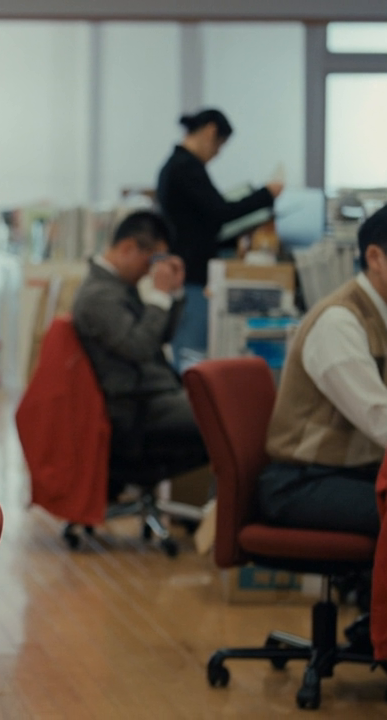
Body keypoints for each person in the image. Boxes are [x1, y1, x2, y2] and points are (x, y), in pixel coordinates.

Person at [260, 202, 387, 538]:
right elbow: (379, 418)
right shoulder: (339, 321)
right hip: (301, 483)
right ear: (375, 257)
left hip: (344, 474)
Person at [71, 210, 209, 489]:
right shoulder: (98, 295)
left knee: (228, 411)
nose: (150, 270)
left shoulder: (115, 286)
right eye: (150, 261)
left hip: (152, 400)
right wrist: (158, 295)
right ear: (127, 248)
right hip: (136, 411)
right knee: (229, 419)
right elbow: (139, 347)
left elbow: (159, 337)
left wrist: (173, 293)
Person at [155, 108, 283, 371]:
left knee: (191, 353)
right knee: (192, 358)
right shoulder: (185, 167)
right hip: (191, 275)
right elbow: (219, 212)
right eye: (220, 145)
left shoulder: (178, 165)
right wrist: (265, 195)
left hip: (189, 271)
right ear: (210, 132)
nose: (217, 154)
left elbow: (205, 221)